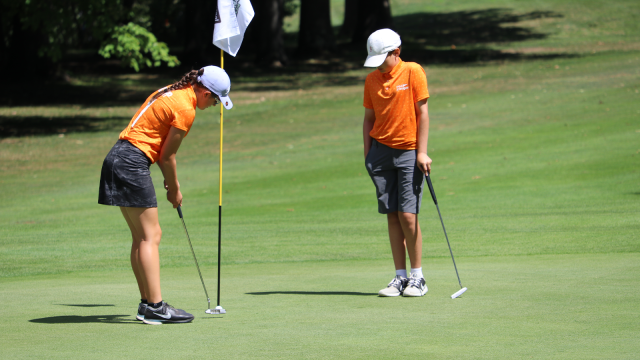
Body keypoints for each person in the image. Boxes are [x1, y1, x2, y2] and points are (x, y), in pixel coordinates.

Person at [98, 66, 233, 324]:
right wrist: (174, 188)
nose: (215, 105)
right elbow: (167, 156)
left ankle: (147, 305)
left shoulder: (172, 91)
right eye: (215, 99)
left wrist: (171, 187)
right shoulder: (185, 109)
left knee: (141, 237)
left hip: (117, 158)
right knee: (152, 235)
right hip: (131, 162)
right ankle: (156, 307)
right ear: (204, 92)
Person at [362, 29, 432, 297]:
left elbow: (422, 114)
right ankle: (400, 277)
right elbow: (369, 119)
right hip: (380, 154)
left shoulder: (413, 72)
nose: (379, 64)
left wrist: (421, 152)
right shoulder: (371, 80)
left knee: (407, 215)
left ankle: (418, 277)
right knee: (392, 214)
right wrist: (368, 155)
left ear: (396, 52)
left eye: (383, 58)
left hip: (408, 152)